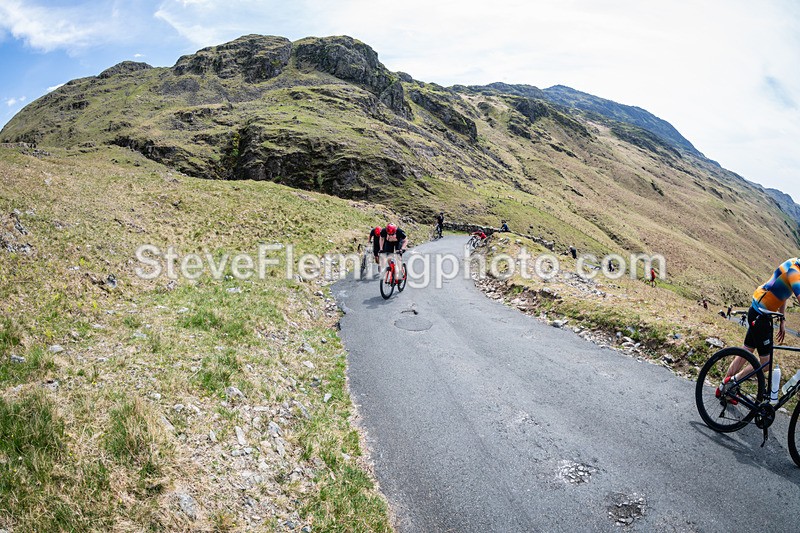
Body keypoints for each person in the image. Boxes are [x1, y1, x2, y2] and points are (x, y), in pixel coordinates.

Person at [720, 258, 800, 398]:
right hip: (761, 316)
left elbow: (783, 292)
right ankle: (733, 381)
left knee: (746, 352)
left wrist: (782, 319)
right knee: (766, 364)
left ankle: (723, 389)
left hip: (757, 311)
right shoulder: (794, 272)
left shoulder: (793, 262)